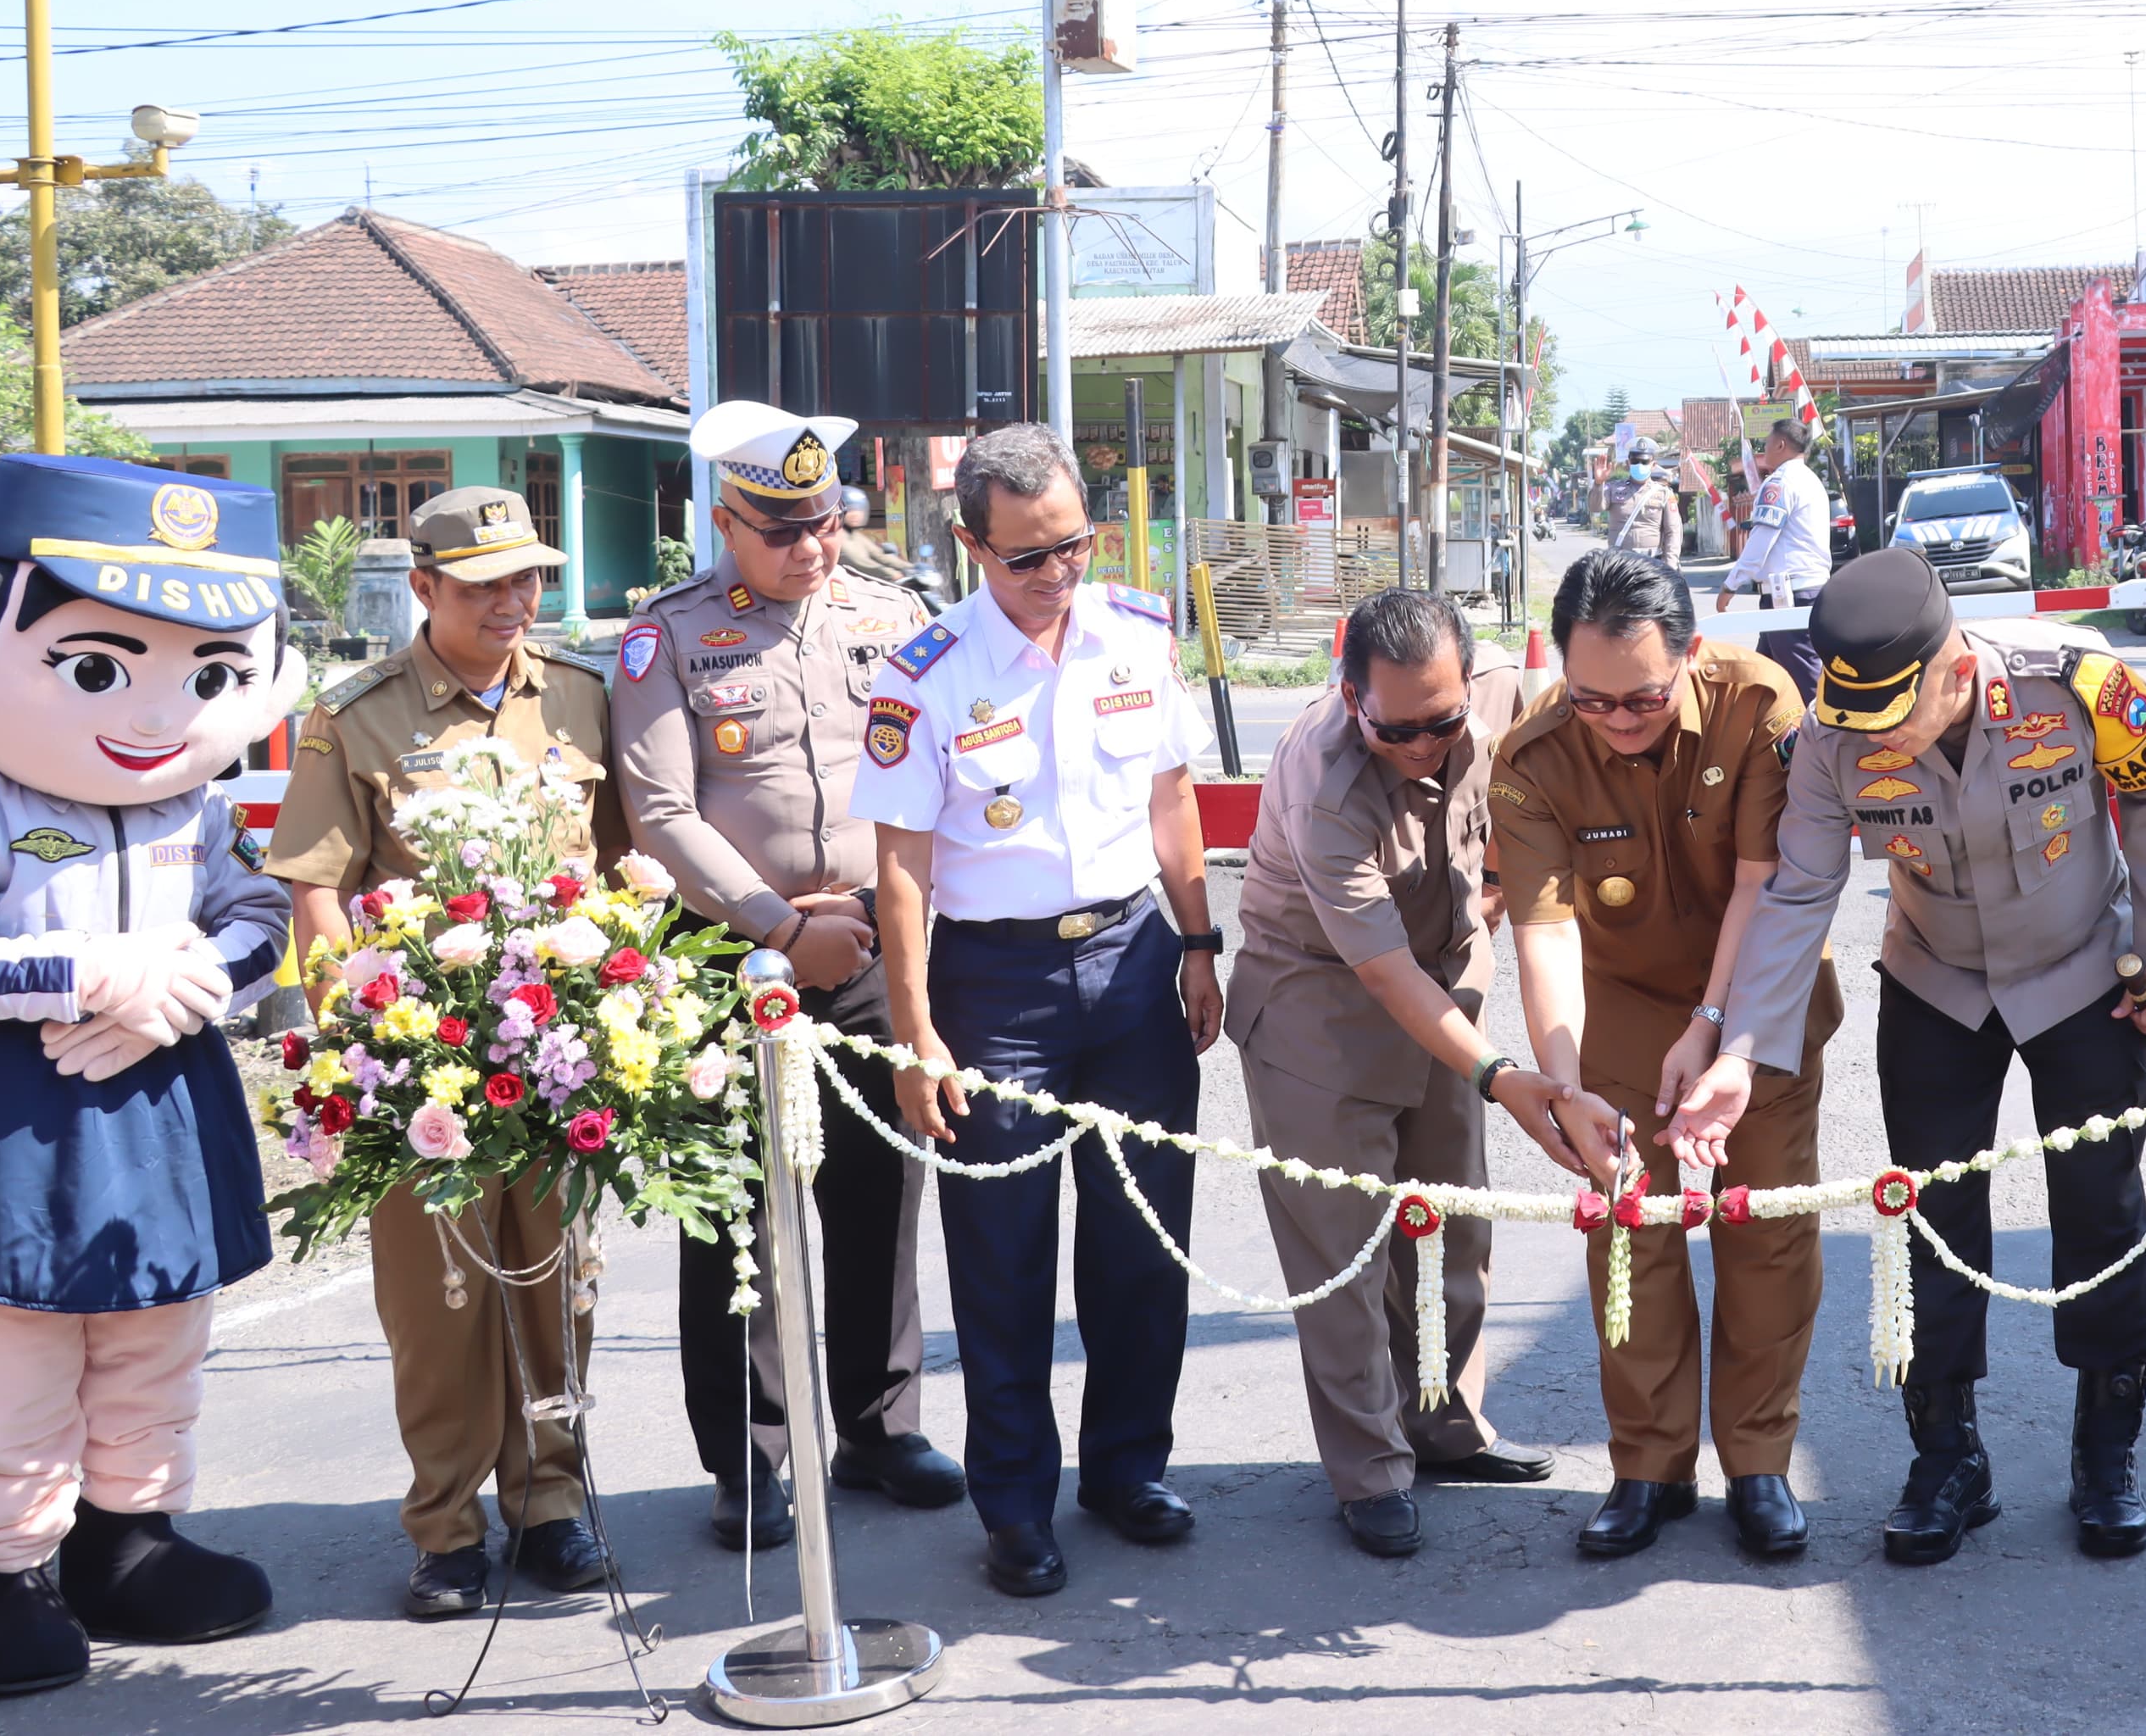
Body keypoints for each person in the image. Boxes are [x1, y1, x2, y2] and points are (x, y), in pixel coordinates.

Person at [0, 458, 309, 1696]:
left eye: (207, 675)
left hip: (162, 1104)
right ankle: (9, 1578)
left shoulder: (205, 811)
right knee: (12, 1351)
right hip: (7, 1122)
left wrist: (175, 992)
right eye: (95, 665)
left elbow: (258, 921)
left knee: (153, 1332)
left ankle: (128, 1540)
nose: (150, 712)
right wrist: (94, 978)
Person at [1727, 546, 2146, 1564]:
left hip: (2082, 969)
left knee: (2098, 1202)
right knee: (1931, 1219)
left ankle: (2105, 1451)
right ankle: (1945, 1456)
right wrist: (1742, 1050)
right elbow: (1797, 895)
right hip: (1935, 976)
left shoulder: (2073, 680)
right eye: (1858, 720)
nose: (1875, 738)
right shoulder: (1828, 737)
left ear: (1951, 664)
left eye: (1897, 712)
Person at [848, 422, 1222, 1600]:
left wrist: (1201, 940)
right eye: (1028, 558)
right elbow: (900, 870)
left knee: (1141, 1242)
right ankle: (1014, 1504)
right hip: (992, 987)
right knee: (1003, 1262)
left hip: (1132, 966)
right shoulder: (922, 676)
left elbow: (1172, 799)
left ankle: (1127, 1468)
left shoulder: (1140, 632)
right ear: (972, 546)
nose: (1059, 574)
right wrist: (917, 1036)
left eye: (1074, 545)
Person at [264, 487, 624, 1618]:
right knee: (441, 1304)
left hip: (558, 1054)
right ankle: (446, 1527)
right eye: (484, 586)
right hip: (425, 1063)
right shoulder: (354, 714)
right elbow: (318, 887)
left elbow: (620, 875)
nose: (515, 603)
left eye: (529, 580)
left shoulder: (576, 700)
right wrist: (357, 1038)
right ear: (422, 588)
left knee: (560, 1289)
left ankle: (553, 1502)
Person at [615, 401, 964, 1552]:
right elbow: (662, 811)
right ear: (725, 521)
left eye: (823, 523)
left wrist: (866, 916)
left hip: (869, 939)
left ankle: (877, 1426)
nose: (810, 548)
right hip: (730, 954)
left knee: (878, 1194)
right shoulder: (667, 637)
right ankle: (748, 1459)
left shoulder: (890, 614)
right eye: (781, 530)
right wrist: (773, 920)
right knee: (736, 1219)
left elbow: (937, 770)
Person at [1226, 589, 1604, 1559]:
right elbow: (1381, 972)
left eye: (1443, 722)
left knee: (1452, 1224)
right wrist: (1507, 1079)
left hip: (1446, 982)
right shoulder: (1323, 779)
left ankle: (1446, 1423)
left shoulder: (1501, 699)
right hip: (1320, 1005)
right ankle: (1370, 1468)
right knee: (1344, 1251)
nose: (1426, 744)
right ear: (1350, 698)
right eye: (1399, 730)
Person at [1492, 551, 1827, 1562]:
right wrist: (1567, 1084)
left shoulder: (1757, 700)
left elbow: (1761, 883)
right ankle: (1647, 1467)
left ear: (1687, 652)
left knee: (1763, 1226)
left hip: (1758, 995)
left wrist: (1715, 1022)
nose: (1617, 719)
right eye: (1591, 700)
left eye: (1639, 698)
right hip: (1624, 1004)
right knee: (1628, 1227)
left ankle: (1758, 1463)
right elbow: (1545, 935)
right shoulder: (1533, 758)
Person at [1715, 417, 1832, 705]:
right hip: (1805, 591)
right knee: (1761, 681)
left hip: (1788, 597)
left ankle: (1826, 744)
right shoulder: (1810, 480)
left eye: (1766, 443)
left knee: (1806, 684)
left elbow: (1761, 541)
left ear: (1781, 444)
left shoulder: (1779, 483)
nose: (1763, 449)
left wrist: (1731, 584)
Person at [1610, 464, 1682, 564]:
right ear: (1628, 462)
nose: (1639, 465)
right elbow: (1595, 507)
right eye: (1635, 460)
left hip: (1652, 561)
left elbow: (1673, 531)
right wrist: (1598, 484)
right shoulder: (1613, 489)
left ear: (1653, 465)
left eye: (1644, 461)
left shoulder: (1664, 493)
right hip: (1621, 562)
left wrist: (1671, 563)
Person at [840, 485, 900, 582]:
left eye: (859, 509)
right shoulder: (839, 537)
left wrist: (911, 567)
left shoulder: (856, 535)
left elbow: (879, 554)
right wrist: (892, 574)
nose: (856, 514)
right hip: (849, 587)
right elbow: (860, 563)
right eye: (851, 510)